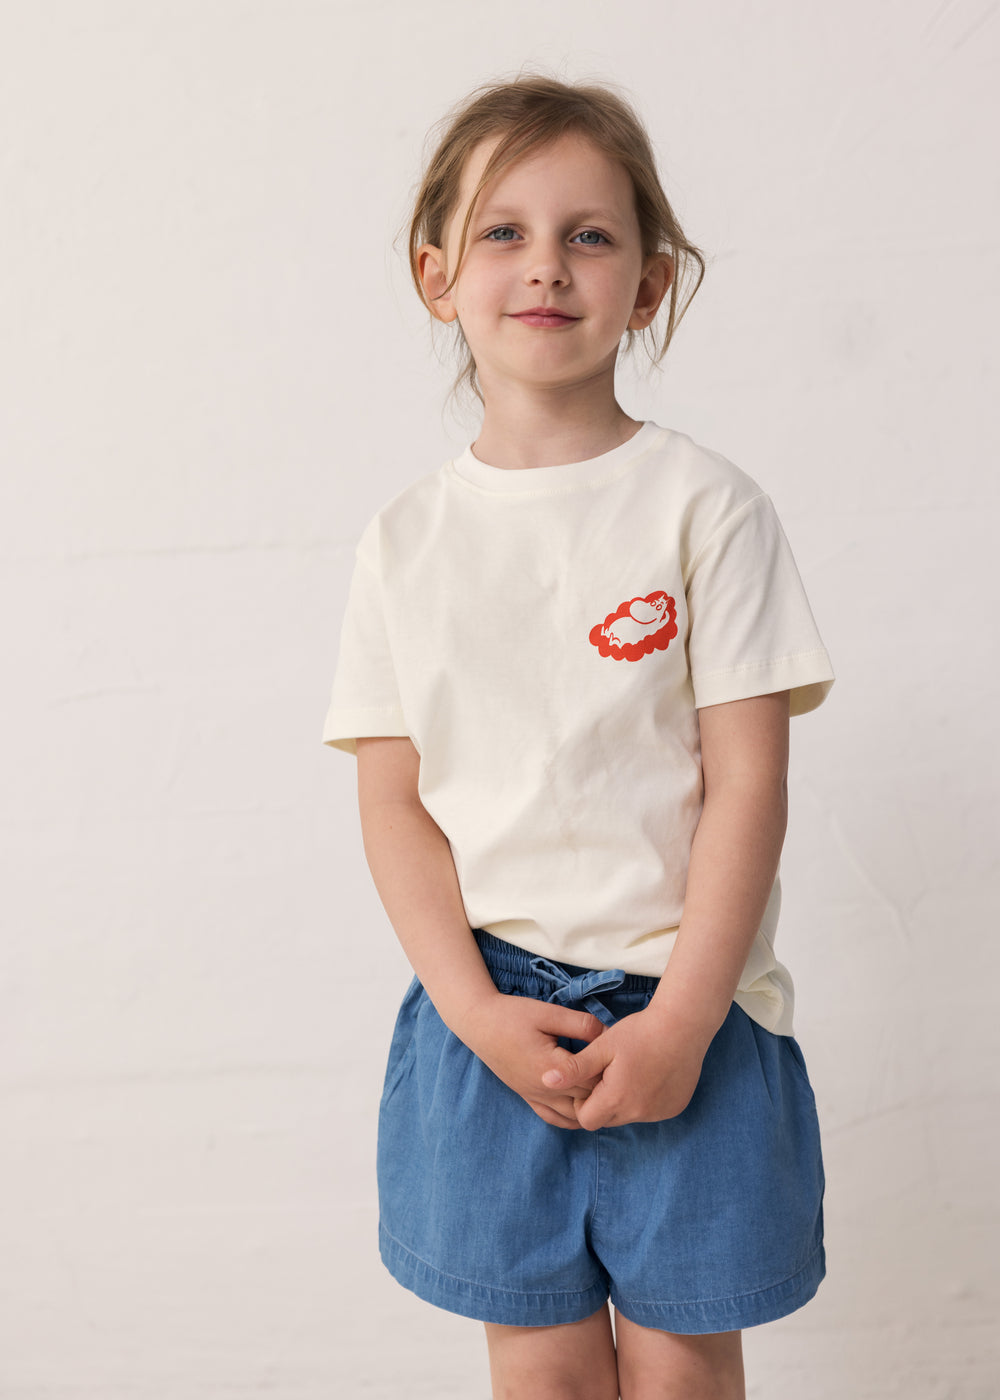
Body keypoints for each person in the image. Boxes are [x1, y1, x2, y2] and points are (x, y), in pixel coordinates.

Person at [322, 73, 834, 1400]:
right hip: (490, 1020)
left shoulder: (707, 509)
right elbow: (396, 808)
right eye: (504, 232)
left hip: (690, 1014)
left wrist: (682, 1018)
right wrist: (474, 1010)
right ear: (438, 276)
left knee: (679, 1373)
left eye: (589, 235)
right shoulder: (402, 543)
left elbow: (749, 786)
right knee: (541, 1374)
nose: (544, 266)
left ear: (650, 283)